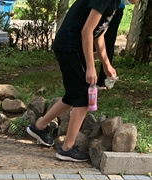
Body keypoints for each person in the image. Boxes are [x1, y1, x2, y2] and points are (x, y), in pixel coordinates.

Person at [26, 0, 139, 162]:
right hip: (69, 46)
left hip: (74, 48)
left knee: (73, 95)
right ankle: (67, 148)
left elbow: (98, 34)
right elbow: (87, 31)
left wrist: (106, 65)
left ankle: (39, 127)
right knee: (83, 97)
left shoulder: (114, 3)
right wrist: (91, 67)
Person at [97, 3, 125, 88]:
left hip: (105, 7)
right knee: (107, 41)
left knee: (98, 37)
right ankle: (103, 79)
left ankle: (103, 78)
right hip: (113, 7)